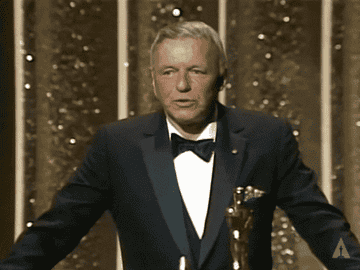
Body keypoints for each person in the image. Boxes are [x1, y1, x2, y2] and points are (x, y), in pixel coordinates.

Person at [1, 21, 360, 270]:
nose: (182, 86)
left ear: (221, 77)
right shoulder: (118, 145)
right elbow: (56, 231)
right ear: (154, 83)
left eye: (196, 71)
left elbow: (323, 226)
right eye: (168, 72)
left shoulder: (267, 137)